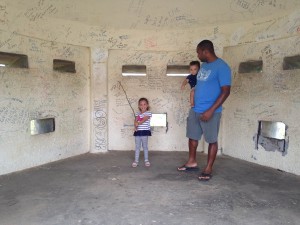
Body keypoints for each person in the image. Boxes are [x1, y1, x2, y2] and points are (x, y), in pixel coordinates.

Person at [177, 40, 231, 181]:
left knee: (211, 140)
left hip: (211, 112)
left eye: (198, 52)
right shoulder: (204, 65)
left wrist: (211, 110)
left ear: (205, 51)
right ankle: (192, 162)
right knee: (192, 137)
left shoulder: (222, 67)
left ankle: (208, 168)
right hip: (196, 110)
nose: (197, 54)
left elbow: (226, 91)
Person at [132, 97, 152, 168]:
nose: (143, 106)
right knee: (137, 147)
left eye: (144, 104)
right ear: (139, 106)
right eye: (141, 104)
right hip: (138, 133)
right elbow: (135, 120)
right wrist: (135, 126)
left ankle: (146, 160)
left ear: (147, 105)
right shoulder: (138, 113)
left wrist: (139, 123)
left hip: (144, 132)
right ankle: (136, 161)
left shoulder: (148, 113)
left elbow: (145, 119)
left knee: (145, 147)